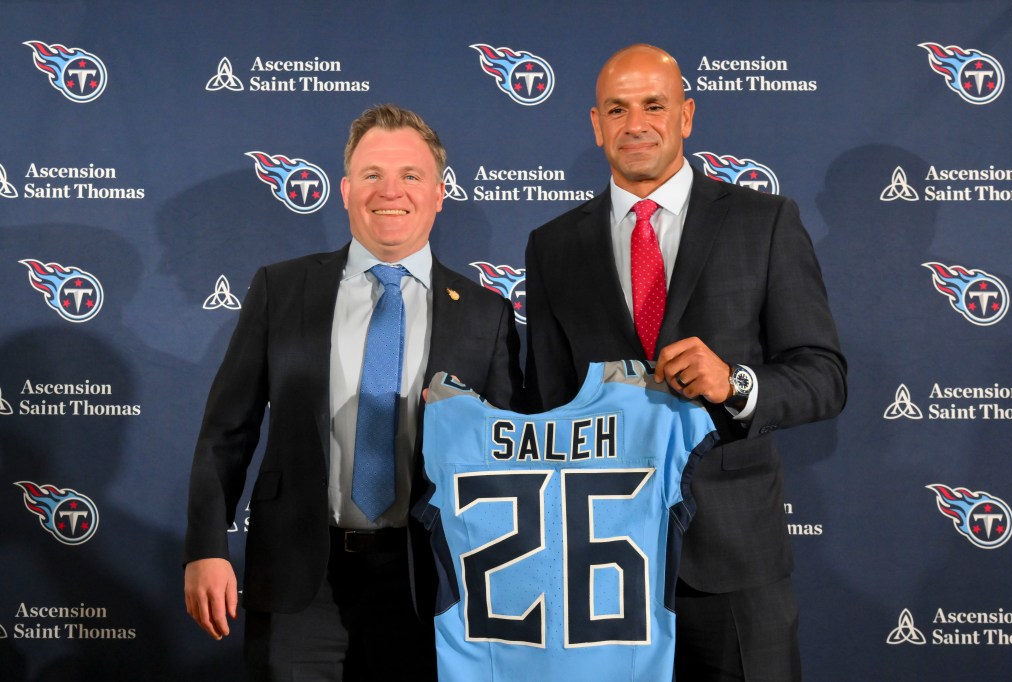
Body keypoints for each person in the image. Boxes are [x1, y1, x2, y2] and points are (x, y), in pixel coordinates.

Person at [524, 45, 847, 681]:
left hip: (734, 560)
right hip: (601, 568)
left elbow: (823, 377)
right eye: (617, 109)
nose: (636, 124)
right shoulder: (552, 245)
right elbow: (547, 404)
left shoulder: (764, 223)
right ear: (596, 124)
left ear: (687, 115)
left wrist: (736, 384)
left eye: (654, 105)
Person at [183, 104, 523, 681]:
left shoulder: (486, 314)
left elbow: (510, 459)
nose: (390, 191)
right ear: (345, 191)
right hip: (298, 582)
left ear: (439, 193)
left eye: (411, 175)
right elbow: (226, 433)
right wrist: (206, 547)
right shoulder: (280, 289)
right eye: (372, 175)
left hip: (429, 585)